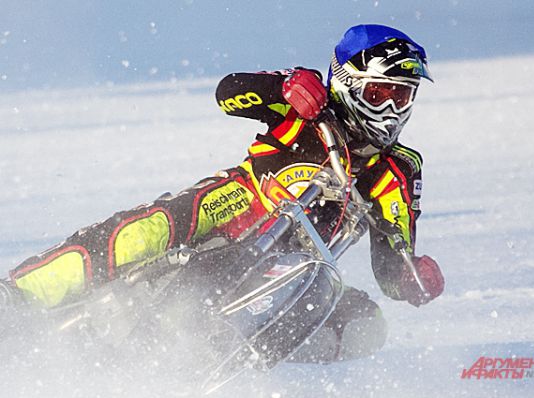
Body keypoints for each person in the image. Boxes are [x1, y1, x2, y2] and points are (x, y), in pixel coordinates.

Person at [1, 24, 444, 362]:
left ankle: (229, 370)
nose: (390, 108)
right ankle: (18, 296)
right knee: (142, 235)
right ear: (348, 82)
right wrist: (284, 87)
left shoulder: (398, 171)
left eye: (402, 97)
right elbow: (228, 92)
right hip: (234, 205)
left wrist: (410, 278)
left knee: (367, 328)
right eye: (379, 92)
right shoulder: (309, 104)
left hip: (291, 271)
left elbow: (392, 256)